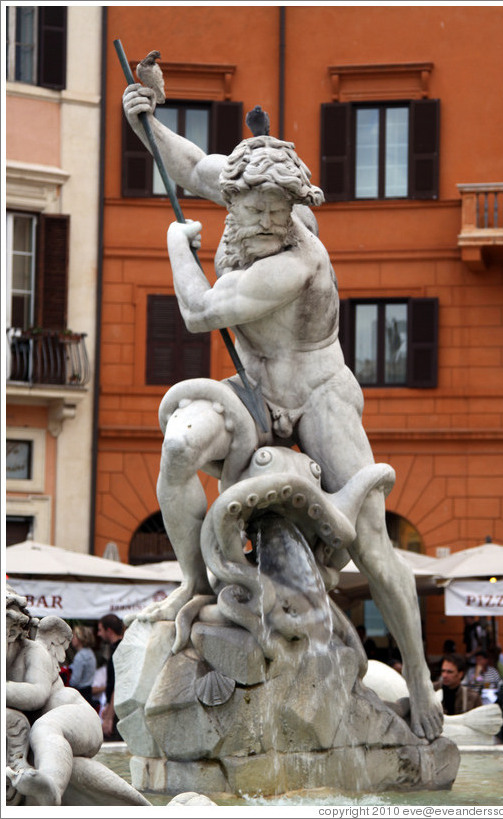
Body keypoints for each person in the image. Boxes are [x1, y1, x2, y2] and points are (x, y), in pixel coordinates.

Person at [121, 83, 444, 742]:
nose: (272, 222)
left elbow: (201, 311)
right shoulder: (235, 192)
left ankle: (416, 674)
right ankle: (191, 581)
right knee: (180, 447)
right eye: (260, 210)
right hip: (249, 389)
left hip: (318, 394)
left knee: (371, 542)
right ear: (233, 196)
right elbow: (184, 165)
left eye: (282, 211)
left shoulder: (297, 260)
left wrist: (177, 244)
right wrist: (145, 120)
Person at [5, 588, 104, 805]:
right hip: (54, 731)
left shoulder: (33, 651)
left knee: (44, 729)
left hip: (78, 719)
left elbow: (37, 695)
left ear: (11, 633)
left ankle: (50, 788)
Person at [97, 614, 124, 741]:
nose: (98, 634)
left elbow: (119, 685)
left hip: (119, 710)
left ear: (109, 630)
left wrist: (109, 717)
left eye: (100, 630)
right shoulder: (118, 649)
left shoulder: (120, 651)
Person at [68, 625, 97, 705]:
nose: (72, 639)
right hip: (88, 690)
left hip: (81, 692)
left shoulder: (80, 656)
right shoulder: (90, 653)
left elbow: (75, 680)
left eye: (74, 637)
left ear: (80, 638)